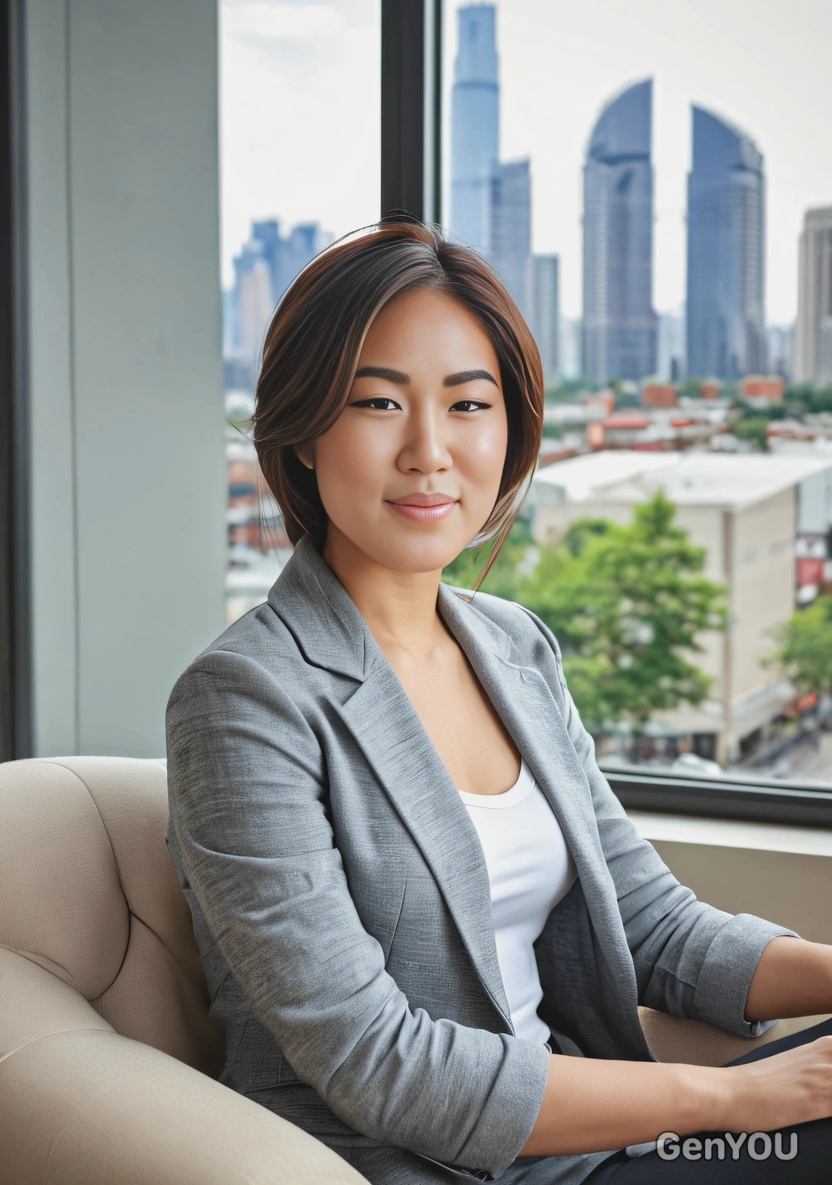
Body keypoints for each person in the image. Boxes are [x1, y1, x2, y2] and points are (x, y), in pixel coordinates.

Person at [165, 220, 832, 1185]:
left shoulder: (515, 646)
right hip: (442, 1167)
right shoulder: (244, 702)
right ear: (304, 431)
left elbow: (652, 928)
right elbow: (375, 1062)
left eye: (468, 404)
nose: (429, 452)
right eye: (378, 403)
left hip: (596, 1138)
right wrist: (740, 1100)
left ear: (511, 428)